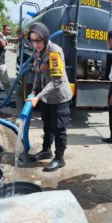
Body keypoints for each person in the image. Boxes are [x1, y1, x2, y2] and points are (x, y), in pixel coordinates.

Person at [27, 22, 73, 172]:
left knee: (59, 129)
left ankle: (60, 158)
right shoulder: (38, 52)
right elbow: (38, 73)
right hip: (46, 96)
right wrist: (34, 91)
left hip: (59, 97)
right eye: (33, 40)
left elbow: (57, 80)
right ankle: (46, 150)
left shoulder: (54, 52)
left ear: (45, 38)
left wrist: (37, 96)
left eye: (38, 40)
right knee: (47, 126)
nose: (36, 44)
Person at [0, 24, 12, 92]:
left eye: (9, 30)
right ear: (3, 29)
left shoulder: (5, 37)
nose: (8, 31)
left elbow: (13, 40)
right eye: (7, 29)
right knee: (1, 75)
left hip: (1, 57)